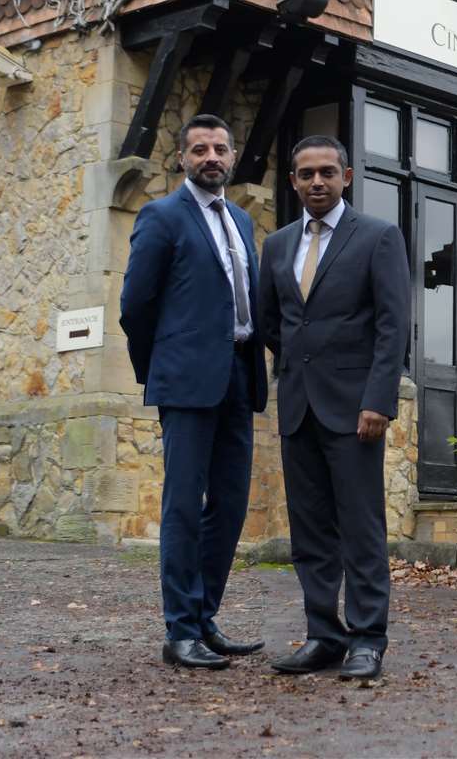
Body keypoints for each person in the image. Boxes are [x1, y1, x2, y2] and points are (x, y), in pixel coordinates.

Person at [119, 113, 269, 670]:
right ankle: (179, 630)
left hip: (238, 374)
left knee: (228, 506)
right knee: (184, 505)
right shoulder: (161, 216)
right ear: (182, 158)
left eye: (221, 148)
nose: (212, 157)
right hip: (186, 380)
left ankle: (205, 618)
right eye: (200, 149)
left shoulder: (241, 221)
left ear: (231, 157)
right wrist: (158, 370)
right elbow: (136, 306)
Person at [258, 135, 409, 679]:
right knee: (310, 531)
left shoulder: (377, 237)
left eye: (326, 172)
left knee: (360, 527)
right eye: (305, 174)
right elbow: (272, 320)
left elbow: (393, 326)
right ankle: (324, 635)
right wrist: (303, 366)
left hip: (356, 410)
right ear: (293, 181)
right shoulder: (276, 246)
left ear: (346, 177)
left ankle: (368, 638)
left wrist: (377, 399)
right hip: (298, 405)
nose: (316, 181)